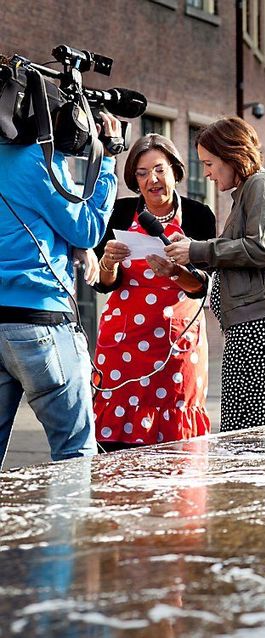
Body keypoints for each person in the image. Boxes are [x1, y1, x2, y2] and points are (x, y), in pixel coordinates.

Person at [164, 117, 265, 430]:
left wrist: (196, 250)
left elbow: (260, 249)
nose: (206, 172)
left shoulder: (262, 185)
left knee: (257, 433)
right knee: (251, 431)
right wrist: (194, 250)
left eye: (210, 163)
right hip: (254, 325)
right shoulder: (250, 191)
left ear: (232, 155)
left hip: (264, 327)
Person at [0, 113, 122, 465]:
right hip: (40, 320)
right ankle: (67, 522)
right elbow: (85, 229)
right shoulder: (38, 160)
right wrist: (108, 157)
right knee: (75, 452)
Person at [91, 134, 216, 450]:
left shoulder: (200, 215)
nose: (152, 180)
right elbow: (104, 283)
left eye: (159, 170)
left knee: (175, 446)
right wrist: (107, 261)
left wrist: (174, 272)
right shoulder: (118, 213)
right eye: (142, 173)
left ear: (175, 171)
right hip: (123, 344)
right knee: (116, 444)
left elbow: (201, 286)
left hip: (177, 345)